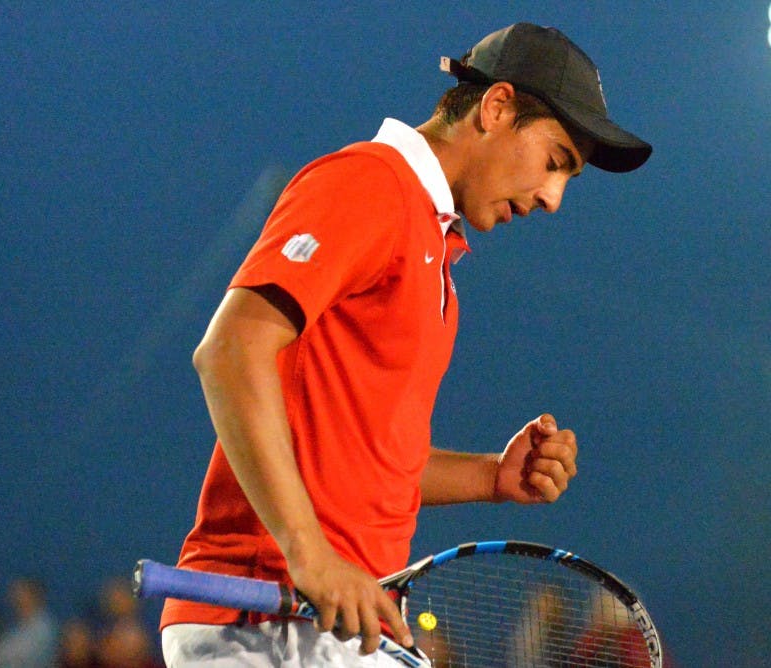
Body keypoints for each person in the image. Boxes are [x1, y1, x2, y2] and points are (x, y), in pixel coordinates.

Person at [159, 22, 651, 668]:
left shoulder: (433, 252)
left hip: (339, 623)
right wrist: (310, 553)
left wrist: (490, 477)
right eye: (555, 161)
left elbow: (361, 462)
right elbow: (229, 350)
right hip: (267, 621)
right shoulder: (371, 183)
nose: (553, 198)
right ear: (497, 107)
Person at [0, 579, 57, 668]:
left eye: (19, 595)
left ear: (32, 598)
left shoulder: (44, 628)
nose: (13, 600)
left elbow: (20, 658)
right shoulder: (20, 627)